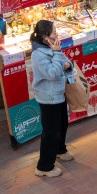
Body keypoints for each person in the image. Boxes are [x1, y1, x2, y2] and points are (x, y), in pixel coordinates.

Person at [30, 20, 75, 178]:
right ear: (44, 37)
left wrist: (66, 65)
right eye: (54, 34)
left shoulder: (51, 48)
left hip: (59, 93)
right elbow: (53, 73)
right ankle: (44, 166)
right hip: (48, 97)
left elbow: (66, 63)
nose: (57, 36)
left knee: (62, 124)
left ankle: (59, 150)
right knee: (51, 131)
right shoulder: (37, 54)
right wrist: (57, 56)